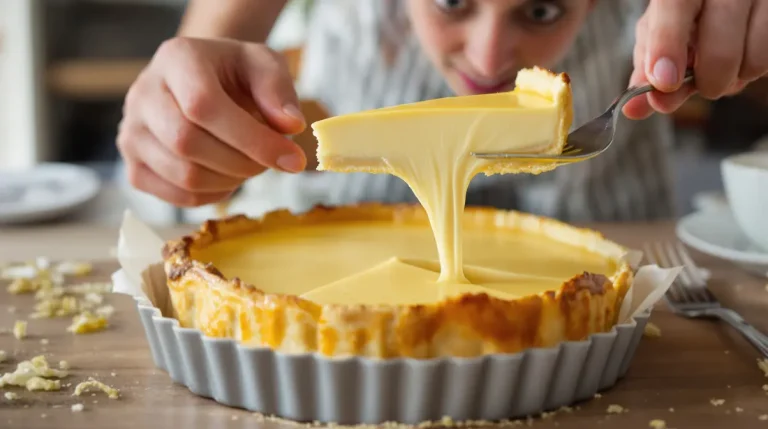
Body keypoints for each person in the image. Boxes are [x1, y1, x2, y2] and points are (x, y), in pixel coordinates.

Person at [116, 0, 768, 223]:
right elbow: (210, 57)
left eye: (541, 10)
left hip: (613, 248)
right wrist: (187, 115)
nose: (488, 58)